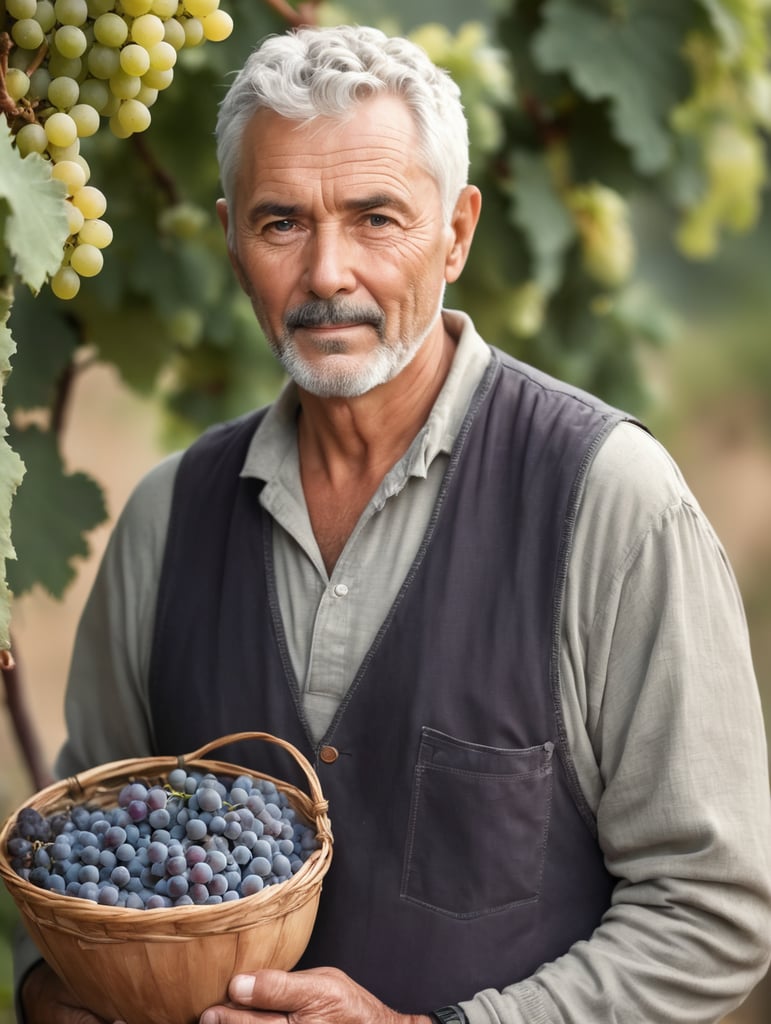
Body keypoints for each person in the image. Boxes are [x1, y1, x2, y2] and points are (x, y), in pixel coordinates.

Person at [15, 23, 771, 1024]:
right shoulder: (165, 519)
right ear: (232, 236)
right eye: (282, 221)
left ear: (457, 232)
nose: (328, 271)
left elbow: (713, 911)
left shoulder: (608, 500)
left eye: (377, 218)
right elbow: (73, 905)